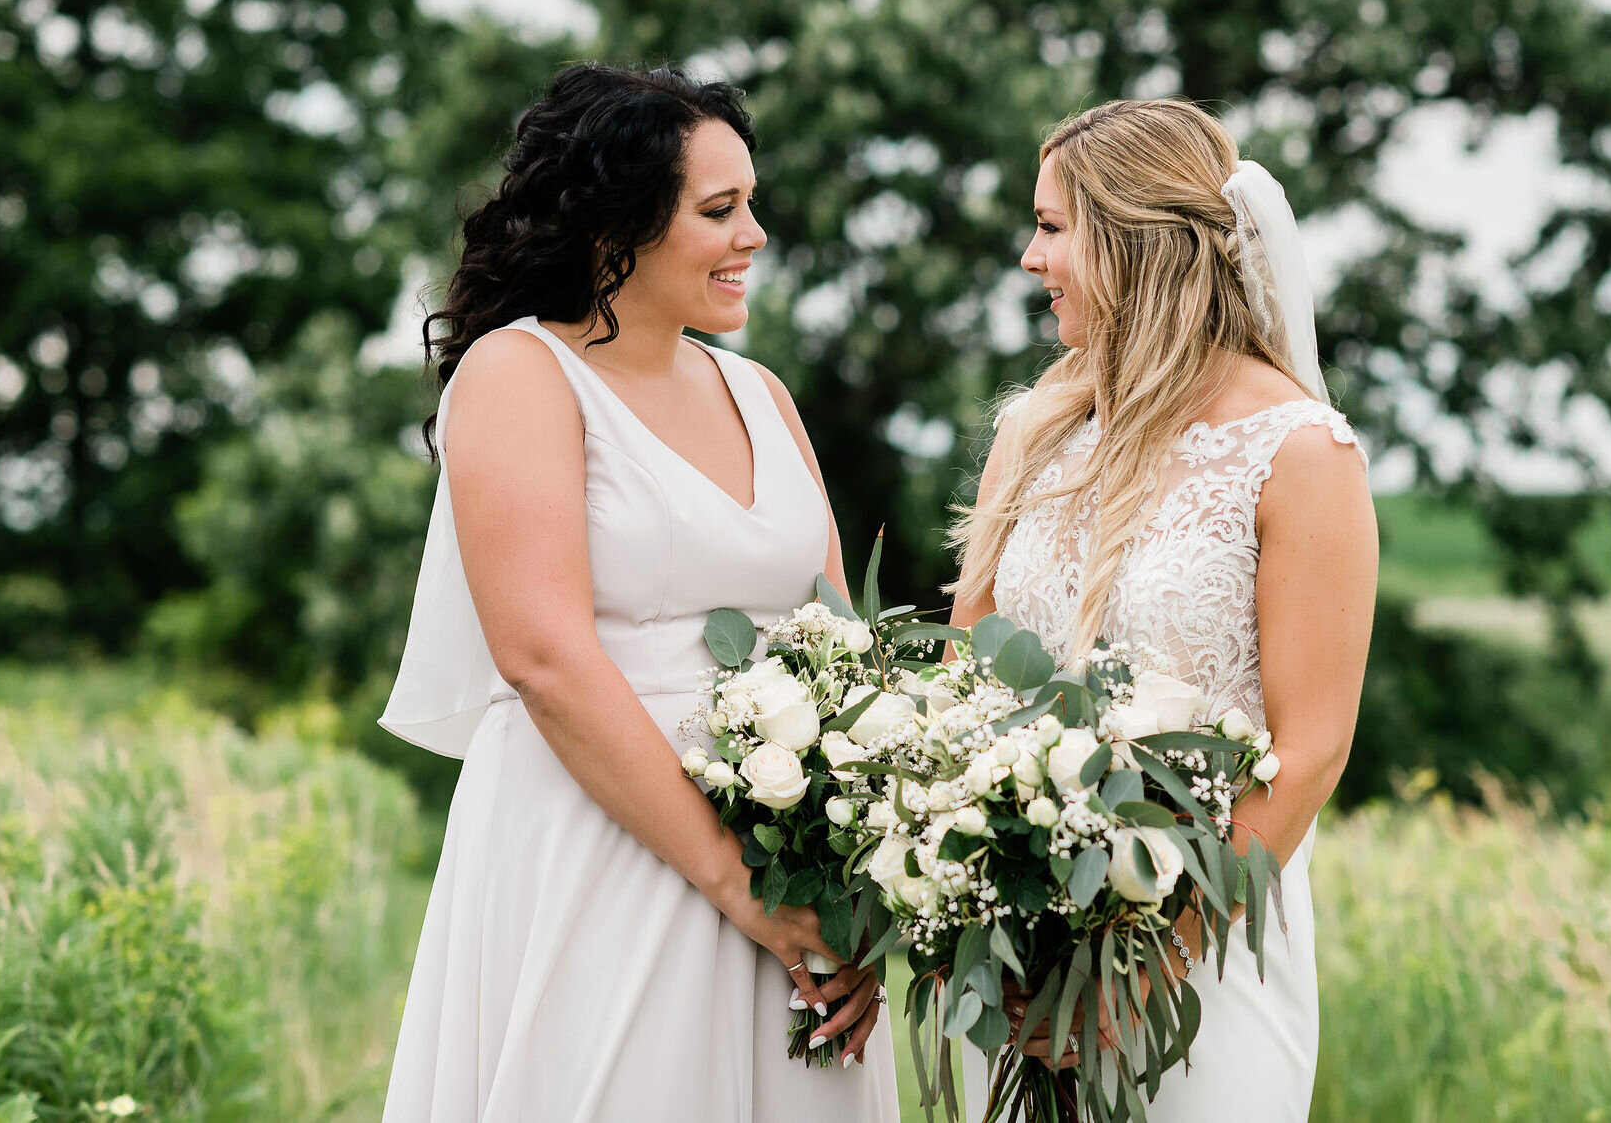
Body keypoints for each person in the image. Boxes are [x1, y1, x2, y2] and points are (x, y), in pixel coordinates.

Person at [378, 63, 895, 1121]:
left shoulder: (763, 394)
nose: (753, 234)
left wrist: (854, 893)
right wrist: (730, 881)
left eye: (751, 204)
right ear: (616, 230)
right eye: (719, 210)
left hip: (788, 864)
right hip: (606, 849)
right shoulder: (521, 374)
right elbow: (542, 656)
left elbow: (844, 651)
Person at [947, 98, 1378, 1120]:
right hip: (1020, 958)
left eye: (1050, 228)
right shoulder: (1035, 431)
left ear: (1135, 242)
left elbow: (1311, 749)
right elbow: (963, 672)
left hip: (1206, 960)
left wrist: (1144, 967)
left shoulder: (1298, 454)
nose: (1027, 258)